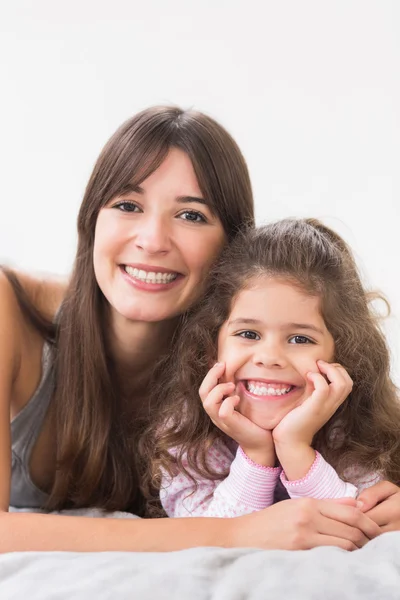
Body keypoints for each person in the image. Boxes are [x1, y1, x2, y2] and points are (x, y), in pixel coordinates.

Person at [0, 106, 389, 553]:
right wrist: (231, 533)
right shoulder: (8, 306)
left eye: (191, 215)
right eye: (127, 206)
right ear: (91, 220)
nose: (152, 240)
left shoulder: (257, 365)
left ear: (233, 251)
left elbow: (369, 434)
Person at [152, 219, 400, 523]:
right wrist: (256, 453)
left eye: (300, 339)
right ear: (210, 347)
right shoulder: (188, 434)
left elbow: (356, 529)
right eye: (248, 334)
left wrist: (294, 448)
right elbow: (209, 536)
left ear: (344, 357)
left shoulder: (356, 432)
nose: (269, 358)